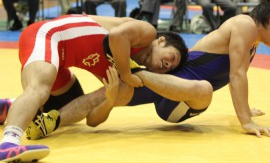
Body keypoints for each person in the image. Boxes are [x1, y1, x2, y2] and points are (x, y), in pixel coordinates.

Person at [11, 0, 270, 145]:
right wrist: (245, 120)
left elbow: (238, 75)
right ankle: (51, 119)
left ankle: (137, 76)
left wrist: (247, 109)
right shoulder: (245, 25)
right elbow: (236, 75)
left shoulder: (253, 41)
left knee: (112, 91)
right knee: (106, 94)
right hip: (175, 86)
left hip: (175, 93)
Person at [0, 14, 188, 162]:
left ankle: (10, 106)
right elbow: (116, 35)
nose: (166, 65)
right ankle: (9, 143)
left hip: (61, 59)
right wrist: (127, 75)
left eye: (169, 68)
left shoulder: (123, 71)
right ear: (161, 40)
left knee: (67, 104)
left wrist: (110, 98)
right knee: (39, 89)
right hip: (48, 36)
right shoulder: (146, 33)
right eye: (171, 57)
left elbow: (92, 120)